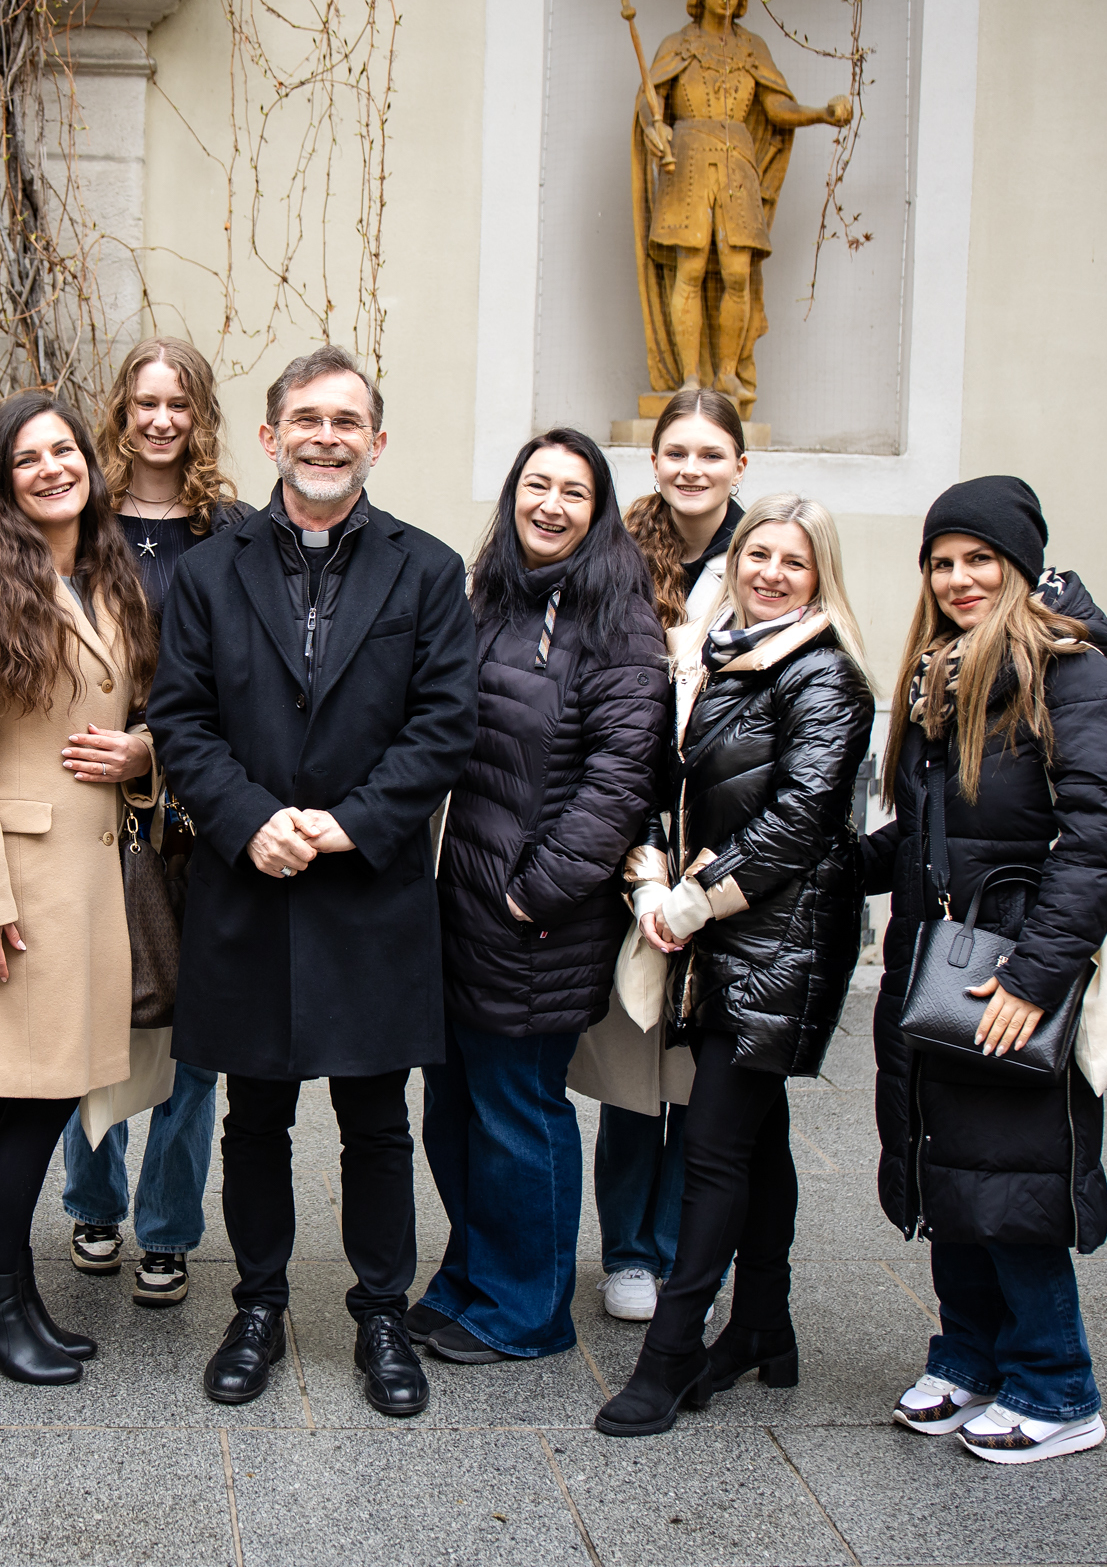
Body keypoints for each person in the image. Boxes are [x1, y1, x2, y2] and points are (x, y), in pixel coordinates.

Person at [148, 344, 479, 1417]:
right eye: (306, 419)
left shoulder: (428, 570)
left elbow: (445, 724)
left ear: (375, 442)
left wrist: (347, 825)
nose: (325, 438)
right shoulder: (208, 572)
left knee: (377, 1121)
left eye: (346, 422)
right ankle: (257, 1306)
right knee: (255, 1118)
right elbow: (181, 719)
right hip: (248, 886)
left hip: (369, 892)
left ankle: (380, 1314)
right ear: (269, 435)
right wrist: (250, 821)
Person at [867, 476, 1107, 1466]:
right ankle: (969, 1355)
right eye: (942, 562)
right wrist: (832, 863)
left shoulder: (1071, 673)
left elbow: (1105, 836)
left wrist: (1035, 976)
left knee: (1012, 1176)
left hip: (1011, 968)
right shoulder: (943, 675)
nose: (958, 578)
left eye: (979, 559)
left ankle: (1058, 1385)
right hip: (943, 960)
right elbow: (927, 832)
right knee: (951, 1165)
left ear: (1020, 565)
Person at [592, 495, 875, 1435]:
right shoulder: (717, 656)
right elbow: (665, 782)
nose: (771, 573)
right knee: (760, 1136)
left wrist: (690, 900)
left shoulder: (825, 674)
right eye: (759, 555)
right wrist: (649, 877)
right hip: (717, 930)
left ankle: (671, 1353)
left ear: (819, 576)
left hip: (781, 938)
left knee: (713, 1149)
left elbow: (801, 818)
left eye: (794, 561)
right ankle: (762, 1324)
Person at [0, 390, 156, 1386]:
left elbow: (137, 715)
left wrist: (145, 753)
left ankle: (3, 1299)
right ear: (2, 482)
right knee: (30, 1093)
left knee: (47, 1091)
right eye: (28, 458)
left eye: (65, 450)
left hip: (89, 882)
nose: (53, 468)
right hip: (18, 889)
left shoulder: (106, 578)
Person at [413, 429, 665, 1366]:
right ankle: (472, 1277)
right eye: (536, 484)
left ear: (598, 512)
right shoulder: (492, 597)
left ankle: (528, 1310)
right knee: (454, 1108)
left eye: (573, 491)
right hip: (458, 905)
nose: (550, 504)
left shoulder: (618, 621)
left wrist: (537, 893)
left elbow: (620, 779)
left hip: (532, 917)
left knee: (518, 1113)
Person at [62, 337, 251, 1308]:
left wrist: (159, 751)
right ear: (122, 411)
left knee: (194, 1026)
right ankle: (92, 1199)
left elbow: (248, 683)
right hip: (88, 801)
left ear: (200, 414)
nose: (162, 419)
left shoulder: (235, 531)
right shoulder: (79, 519)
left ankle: (169, 1225)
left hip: (197, 810)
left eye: (180, 403)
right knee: (87, 1009)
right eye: (146, 402)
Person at [596, 385, 750, 1322]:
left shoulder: (763, 553)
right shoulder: (618, 554)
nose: (692, 468)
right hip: (633, 830)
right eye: (677, 452)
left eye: (710, 453)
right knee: (633, 1058)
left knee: (701, 1073)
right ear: (654, 462)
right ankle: (626, 1249)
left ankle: (682, 1247)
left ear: (740, 464)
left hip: (723, 845)